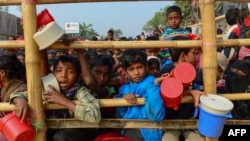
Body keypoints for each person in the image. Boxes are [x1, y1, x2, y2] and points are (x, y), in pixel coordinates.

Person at [11, 55, 102, 141]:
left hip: (78, 131)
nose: (63, 75)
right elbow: (18, 94)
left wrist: (64, 101)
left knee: (60, 138)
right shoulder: (48, 87)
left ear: (78, 77)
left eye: (70, 72)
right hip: (53, 129)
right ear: (53, 73)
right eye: (59, 70)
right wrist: (19, 100)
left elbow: (94, 115)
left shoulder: (80, 91)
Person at [159, 36, 205, 141]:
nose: (196, 56)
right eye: (195, 53)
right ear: (183, 55)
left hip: (189, 120)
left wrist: (202, 53)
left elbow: (202, 78)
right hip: (170, 122)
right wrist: (190, 92)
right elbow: (169, 90)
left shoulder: (192, 70)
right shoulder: (166, 71)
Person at [115, 49, 165, 141]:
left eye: (139, 67)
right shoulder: (124, 88)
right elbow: (120, 116)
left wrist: (154, 86)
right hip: (129, 129)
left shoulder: (152, 83)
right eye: (131, 69)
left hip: (150, 132)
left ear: (146, 67)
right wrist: (122, 99)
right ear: (125, 71)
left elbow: (156, 116)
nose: (136, 72)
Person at [0, 55, 28, 141]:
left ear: (2, 73)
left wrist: (19, 99)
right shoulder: (4, 87)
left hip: (16, 131)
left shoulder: (20, 87)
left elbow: (19, 94)